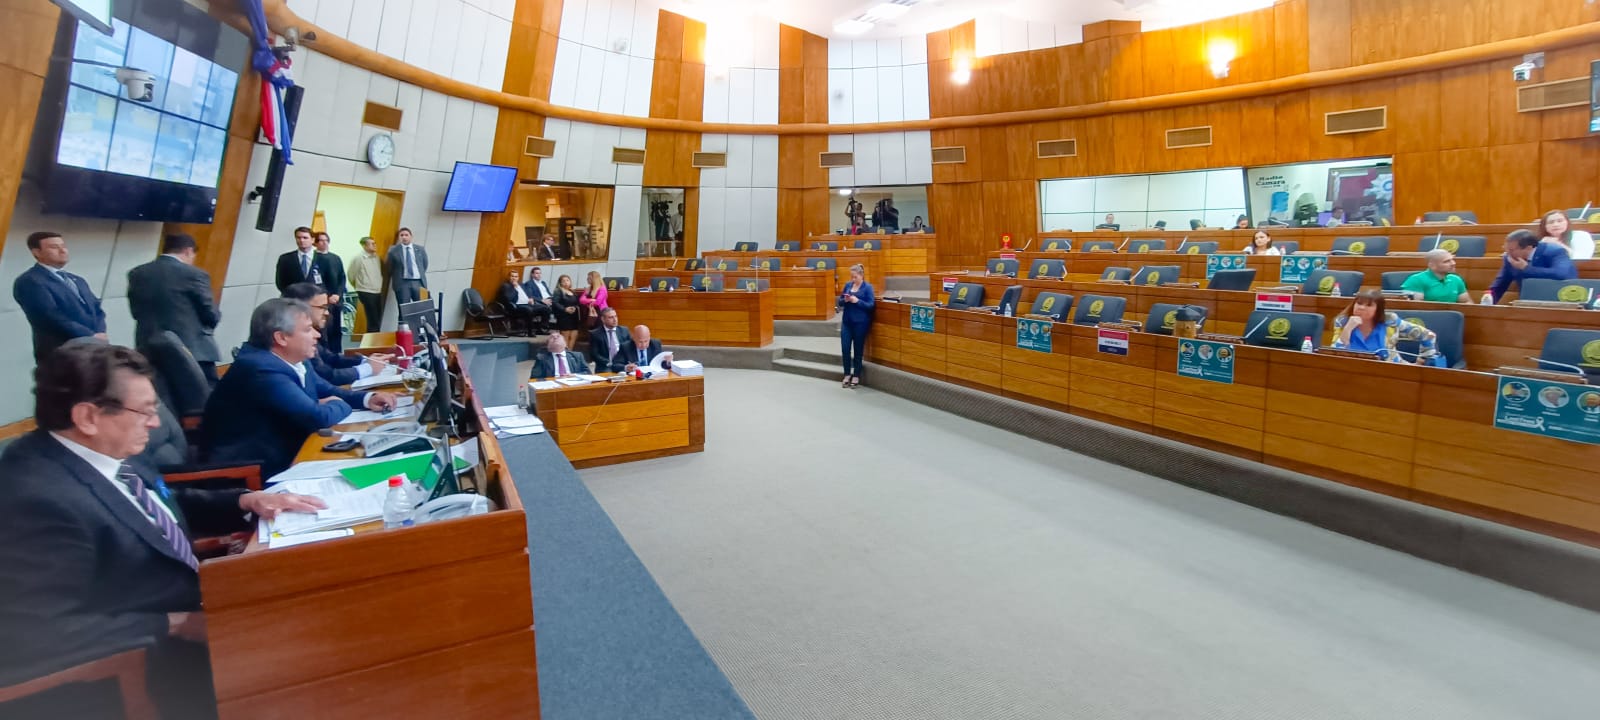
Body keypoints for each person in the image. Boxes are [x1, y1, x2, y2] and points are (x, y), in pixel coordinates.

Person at [0, 343, 323, 720]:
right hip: (141, 667)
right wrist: (173, 623)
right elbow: (29, 631)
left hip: (197, 604)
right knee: (307, 656)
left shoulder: (104, 450)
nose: (155, 423)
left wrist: (245, 501)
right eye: (146, 411)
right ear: (88, 416)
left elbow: (155, 505)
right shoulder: (37, 500)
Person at [202, 299, 397, 478]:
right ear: (281, 338)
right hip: (257, 469)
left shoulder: (295, 359)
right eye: (307, 330)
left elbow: (327, 390)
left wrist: (367, 399)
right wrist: (339, 405)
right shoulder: (261, 368)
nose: (317, 335)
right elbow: (316, 417)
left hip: (292, 449)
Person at [127, 233, 222, 383]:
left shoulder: (137, 273)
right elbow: (210, 314)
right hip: (190, 350)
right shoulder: (194, 274)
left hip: (148, 348)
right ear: (188, 251)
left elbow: (136, 311)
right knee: (202, 397)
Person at [13, 231, 107, 365]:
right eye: (54, 247)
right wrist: (90, 335)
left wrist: (100, 332)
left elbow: (96, 308)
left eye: (63, 246)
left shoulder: (77, 280)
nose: (62, 250)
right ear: (36, 252)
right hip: (60, 353)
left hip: (93, 350)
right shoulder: (30, 281)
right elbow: (49, 316)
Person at [281, 283, 391, 386]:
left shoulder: (313, 331)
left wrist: (365, 360)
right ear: (301, 308)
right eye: (322, 307)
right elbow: (326, 376)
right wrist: (368, 368)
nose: (327, 313)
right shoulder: (296, 338)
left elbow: (330, 358)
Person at [1331, 290, 1438, 365]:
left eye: (1369, 305)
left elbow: (1428, 336)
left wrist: (1422, 360)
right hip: (1351, 373)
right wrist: (1348, 328)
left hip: (1390, 372)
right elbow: (1334, 354)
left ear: (1378, 310)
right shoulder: (1342, 322)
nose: (1361, 308)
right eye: (1359, 303)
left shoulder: (1390, 321)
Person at [1485, 229, 1578, 303]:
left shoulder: (1555, 251)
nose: (1507, 253)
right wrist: (1489, 297)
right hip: (1527, 303)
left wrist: (1527, 269)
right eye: (1505, 249)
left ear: (1529, 248)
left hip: (1557, 300)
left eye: (1511, 250)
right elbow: (1501, 283)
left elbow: (1561, 274)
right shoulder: (1510, 257)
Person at [837, 262, 876, 389]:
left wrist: (857, 301)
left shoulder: (867, 288)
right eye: (852, 277)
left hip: (860, 323)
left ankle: (856, 375)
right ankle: (847, 374)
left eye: (855, 277)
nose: (853, 279)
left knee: (858, 351)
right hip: (847, 322)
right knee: (845, 349)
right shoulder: (848, 285)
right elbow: (840, 302)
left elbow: (871, 306)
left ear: (861, 275)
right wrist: (846, 300)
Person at [273, 226, 336, 294]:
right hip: (294, 299)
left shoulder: (324, 259)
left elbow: (331, 281)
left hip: (317, 299)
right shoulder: (285, 259)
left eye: (305, 238)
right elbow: (280, 282)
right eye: (298, 238)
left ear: (312, 240)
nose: (301, 240)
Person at [312, 231, 347, 353]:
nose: (324, 243)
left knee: (336, 329)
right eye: (321, 240)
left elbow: (342, 278)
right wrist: (327, 296)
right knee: (325, 330)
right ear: (315, 243)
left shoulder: (335, 258)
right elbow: (317, 281)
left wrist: (338, 294)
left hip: (336, 299)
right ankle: (327, 354)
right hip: (323, 300)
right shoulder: (314, 259)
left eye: (326, 240)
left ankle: (338, 352)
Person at [1400, 249, 1471, 303]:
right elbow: (1415, 307)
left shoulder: (1456, 279)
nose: (1453, 263)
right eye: (1446, 261)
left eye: (1452, 260)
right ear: (1432, 265)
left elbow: (1467, 303)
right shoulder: (1416, 280)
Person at [347, 236, 385, 333]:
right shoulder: (358, 258)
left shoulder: (376, 257)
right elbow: (351, 275)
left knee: (378, 317)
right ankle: (372, 342)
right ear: (364, 245)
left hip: (377, 291)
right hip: (366, 291)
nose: (374, 245)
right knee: (372, 318)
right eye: (372, 244)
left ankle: (376, 339)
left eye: (374, 243)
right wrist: (359, 287)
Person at [385, 227, 429, 305]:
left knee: (422, 308)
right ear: (399, 238)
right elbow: (389, 267)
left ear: (411, 236)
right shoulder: (393, 251)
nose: (404, 237)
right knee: (404, 310)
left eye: (406, 235)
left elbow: (424, 264)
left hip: (418, 282)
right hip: (402, 284)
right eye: (401, 235)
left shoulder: (420, 249)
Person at [498, 270, 549, 335]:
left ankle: (542, 328)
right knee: (529, 310)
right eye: (512, 276)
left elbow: (528, 294)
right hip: (516, 306)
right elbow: (509, 298)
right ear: (509, 277)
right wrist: (515, 287)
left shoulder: (521, 284)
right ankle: (530, 332)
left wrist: (531, 299)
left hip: (528, 304)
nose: (514, 278)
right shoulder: (506, 286)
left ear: (518, 278)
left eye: (516, 276)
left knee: (545, 308)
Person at [588, 307, 629, 373]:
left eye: (615, 316)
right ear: (603, 319)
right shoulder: (595, 334)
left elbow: (629, 348)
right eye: (611, 317)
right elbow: (594, 354)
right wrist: (609, 363)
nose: (615, 319)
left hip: (623, 364)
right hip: (606, 365)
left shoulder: (624, 330)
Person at [552, 274, 582, 347]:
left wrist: (575, 307)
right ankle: (565, 354)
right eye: (563, 281)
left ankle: (570, 353)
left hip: (574, 317)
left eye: (567, 280)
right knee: (566, 337)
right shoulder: (558, 291)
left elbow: (577, 303)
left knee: (573, 337)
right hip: (564, 317)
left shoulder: (573, 291)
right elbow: (555, 303)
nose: (566, 282)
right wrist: (565, 309)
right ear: (560, 283)